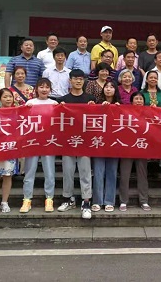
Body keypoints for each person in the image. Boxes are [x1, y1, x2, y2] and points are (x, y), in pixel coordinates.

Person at [57, 69, 96, 219]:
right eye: (75, 78)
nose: (78, 81)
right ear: (70, 80)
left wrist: (94, 108)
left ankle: (86, 202)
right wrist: (59, 108)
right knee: (67, 172)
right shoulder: (63, 100)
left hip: (85, 142)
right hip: (68, 142)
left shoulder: (90, 99)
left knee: (85, 173)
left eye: (81, 79)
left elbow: (98, 119)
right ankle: (68, 199)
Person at [19, 78, 58, 213]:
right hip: (32, 141)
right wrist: (26, 109)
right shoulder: (30, 103)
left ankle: (49, 198)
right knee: (30, 171)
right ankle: (27, 199)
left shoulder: (54, 103)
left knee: (49, 172)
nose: (44, 89)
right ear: (36, 89)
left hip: (48, 141)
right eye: (41, 87)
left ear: (50, 90)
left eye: (47, 87)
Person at [118, 92, 152, 212]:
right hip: (127, 148)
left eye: (141, 99)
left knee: (142, 175)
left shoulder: (149, 113)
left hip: (142, 147)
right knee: (124, 175)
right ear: (131, 101)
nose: (138, 101)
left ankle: (144, 200)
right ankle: (123, 201)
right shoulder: (125, 112)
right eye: (136, 99)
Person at [0, 88, 19, 214]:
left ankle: (4, 202)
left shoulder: (17, 112)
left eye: (10, 96)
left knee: (7, 175)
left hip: (11, 148)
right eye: (5, 97)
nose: (8, 99)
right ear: (0, 99)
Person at [92, 81, 121, 213]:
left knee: (112, 172)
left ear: (116, 90)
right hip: (99, 143)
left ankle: (109, 201)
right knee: (98, 172)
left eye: (111, 87)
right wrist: (99, 108)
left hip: (114, 143)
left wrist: (117, 109)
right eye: (106, 87)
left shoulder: (120, 105)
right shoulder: (97, 103)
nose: (108, 89)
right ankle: (97, 201)